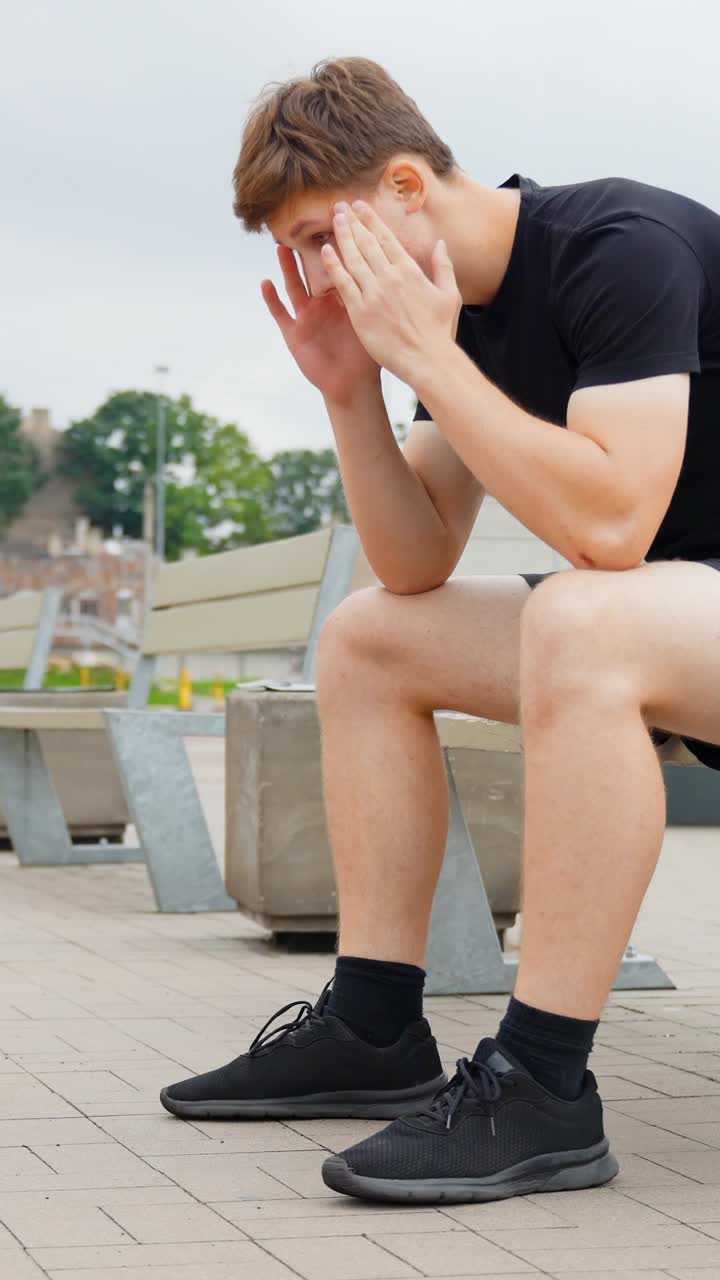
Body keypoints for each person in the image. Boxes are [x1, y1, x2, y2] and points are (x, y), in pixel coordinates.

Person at [160, 56, 720, 1205]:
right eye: (297, 251)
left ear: (407, 184)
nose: (316, 273)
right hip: (683, 626)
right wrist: (353, 392)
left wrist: (425, 355)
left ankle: (544, 1084)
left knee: (580, 610)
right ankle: (372, 1022)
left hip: (662, 612)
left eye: (323, 235)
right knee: (370, 638)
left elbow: (614, 525)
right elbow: (416, 563)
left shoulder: (620, 245)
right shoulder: (454, 317)